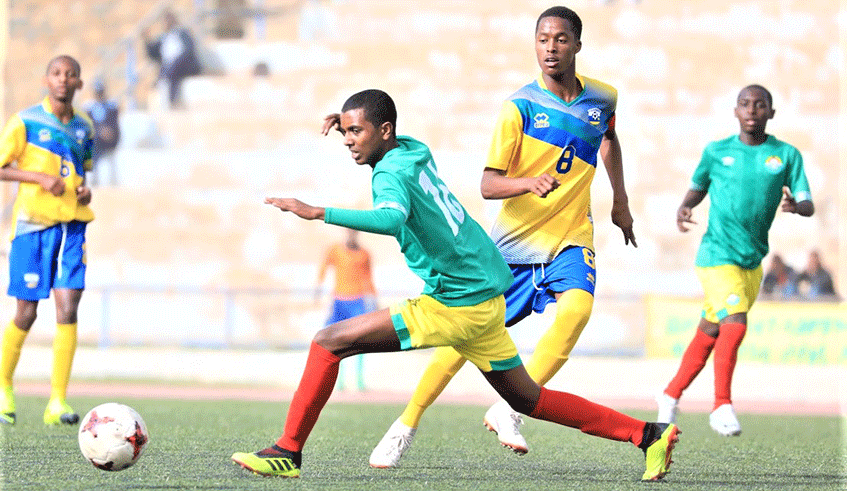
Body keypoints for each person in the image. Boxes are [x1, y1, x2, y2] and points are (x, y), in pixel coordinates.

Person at [230, 89, 679, 481]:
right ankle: (647, 434)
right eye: (345, 131)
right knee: (528, 399)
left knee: (328, 342)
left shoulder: (390, 173)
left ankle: (288, 450)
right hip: (485, 296)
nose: (348, 141)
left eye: (356, 132)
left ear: (384, 131)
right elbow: (388, 142)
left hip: (456, 303)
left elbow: (390, 218)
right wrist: (349, 118)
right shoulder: (411, 149)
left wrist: (316, 211)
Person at [368, 5, 637, 468]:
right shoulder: (520, 107)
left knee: (578, 310)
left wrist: (620, 201)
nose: (550, 48)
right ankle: (405, 424)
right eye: (542, 40)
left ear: (577, 44)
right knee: (461, 339)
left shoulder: (603, 98)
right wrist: (527, 183)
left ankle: (510, 407)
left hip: (570, 237)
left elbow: (608, 138)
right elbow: (488, 184)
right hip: (513, 245)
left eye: (559, 39)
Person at [655, 84, 814, 437]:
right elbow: (699, 185)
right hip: (716, 255)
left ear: (771, 113)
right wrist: (685, 206)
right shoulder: (717, 151)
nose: (752, 110)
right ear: (735, 111)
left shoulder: (786, 155)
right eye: (745, 104)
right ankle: (721, 405)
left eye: (760, 105)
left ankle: (669, 396)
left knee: (709, 333)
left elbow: (807, 201)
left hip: (752, 261)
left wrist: (796, 207)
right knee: (735, 322)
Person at [0, 55, 95, 426]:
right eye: (56, 73)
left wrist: (84, 192)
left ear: (79, 84)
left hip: (73, 226)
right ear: (46, 79)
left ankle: (57, 402)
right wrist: (39, 179)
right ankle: (4, 386)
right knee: (26, 311)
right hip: (33, 226)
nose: (63, 79)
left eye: (71, 74)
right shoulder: (25, 121)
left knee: (68, 308)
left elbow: (82, 172)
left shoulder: (84, 127)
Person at [316, 228, 377, 391]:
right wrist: (318, 290)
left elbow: (369, 278)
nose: (351, 235)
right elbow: (323, 268)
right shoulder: (335, 250)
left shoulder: (364, 254)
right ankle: (338, 380)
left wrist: (374, 301)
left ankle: (359, 380)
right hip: (338, 302)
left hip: (358, 302)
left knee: (360, 341)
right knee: (334, 340)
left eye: (354, 232)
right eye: (348, 231)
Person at [142, 10, 201, 109]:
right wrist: (146, 39)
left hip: (184, 64)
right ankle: (168, 102)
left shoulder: (182, 33)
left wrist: (176, 61)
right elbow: (152, 54)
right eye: (165, 20)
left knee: (172, 68)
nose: (167, 22)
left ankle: (172, 100)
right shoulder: (163, 38)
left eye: (169, 19)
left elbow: (189, 50)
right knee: (167, 71)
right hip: (170, 68)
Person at [84, 78, 120, 187]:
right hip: (96, 141)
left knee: (111, 161)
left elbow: (114, 123)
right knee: (93, 157)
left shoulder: (111, 106)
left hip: (110, 141)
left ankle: (113, 182)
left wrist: (110, 133)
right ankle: (95, 179)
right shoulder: (89, 107)